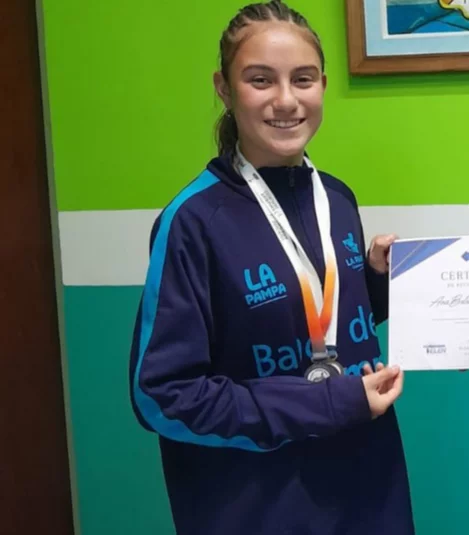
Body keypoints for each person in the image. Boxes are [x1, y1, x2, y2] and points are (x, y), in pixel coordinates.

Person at [127, 2, 414, 534]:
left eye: (302, 79)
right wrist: (323, 402)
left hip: (368, 490)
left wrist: (377, 285)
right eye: (260, 80)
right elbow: (162, 396)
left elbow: (314, 324)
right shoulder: (193, 222)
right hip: (258, 504)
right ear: (224, 88)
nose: (285, 99)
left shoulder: (337, 198)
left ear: (322, 85)